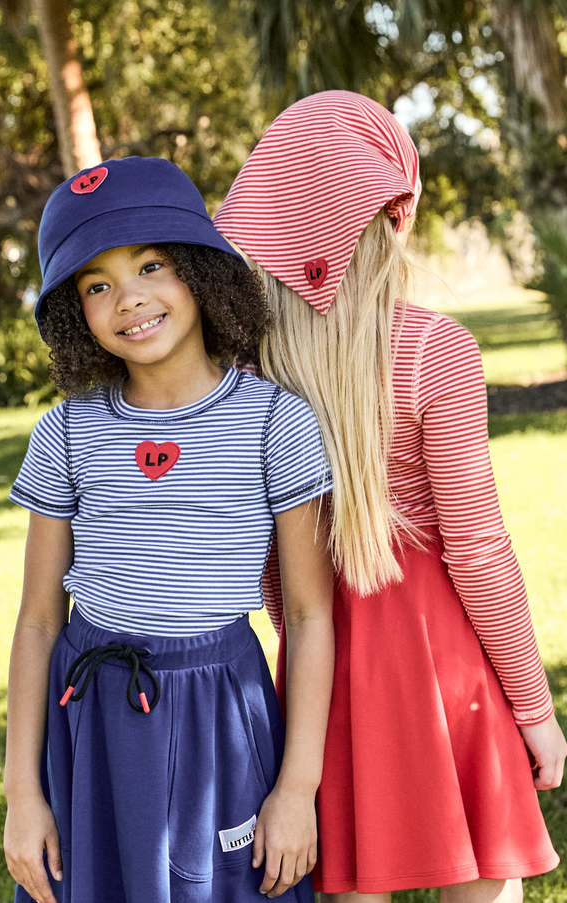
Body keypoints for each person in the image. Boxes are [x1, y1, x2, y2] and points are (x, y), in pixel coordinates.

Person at [214, 90, 567, 903]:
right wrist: (534, 706)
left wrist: (299, 638)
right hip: (447, 657)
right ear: (392, 213)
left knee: (349, 879)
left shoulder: (252, 371)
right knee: (483, 878)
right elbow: (477, 550)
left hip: (325, 660)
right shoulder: (433, 349)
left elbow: (271, 568)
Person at [2, 156, 335, 903]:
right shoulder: (64, 433)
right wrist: (23, 794)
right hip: (88, 713)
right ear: (73, 311)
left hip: (222, 706)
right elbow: (35, 621)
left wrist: (297, 787)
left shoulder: (274, 422)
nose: (130, 298)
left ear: (198, 270)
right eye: (97, 284)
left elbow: (311, 615)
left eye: (151, 264)